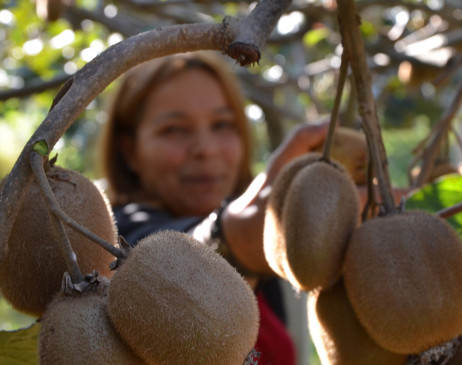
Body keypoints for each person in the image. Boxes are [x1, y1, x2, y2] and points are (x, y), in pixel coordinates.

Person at [98, 51, 329, 365]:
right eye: (174, 129)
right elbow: (161, 260)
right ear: (130, 150)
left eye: (222, 124)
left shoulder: (269, 255)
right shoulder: (109, 239)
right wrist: (236, 240)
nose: (206, 149)